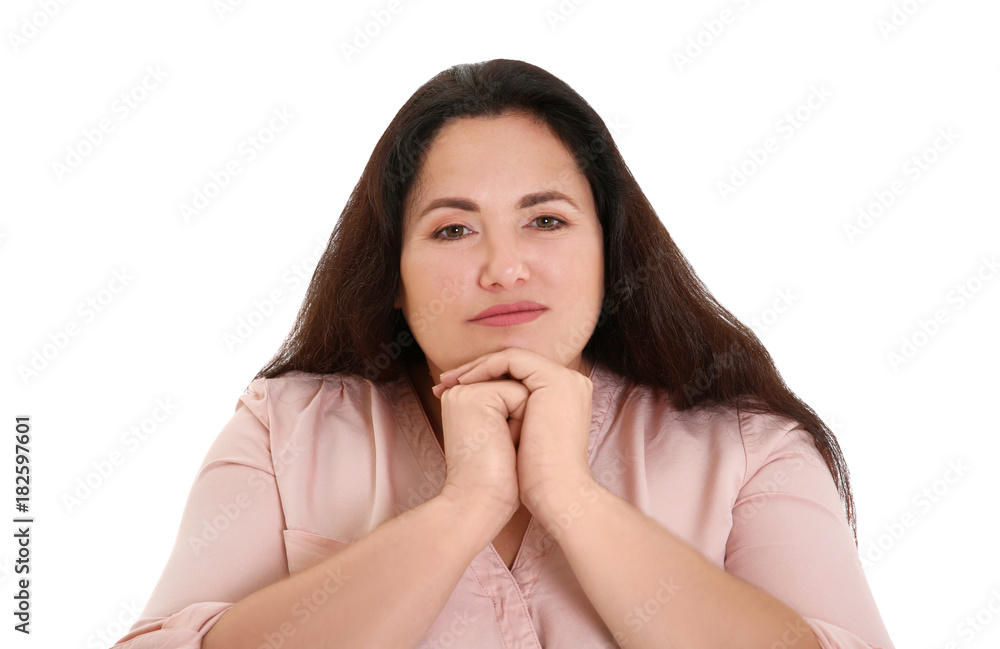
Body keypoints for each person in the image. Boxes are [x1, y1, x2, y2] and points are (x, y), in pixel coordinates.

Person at [111, 59, 896, 649]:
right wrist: (464, 506)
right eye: (453, 228)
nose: (504, 268)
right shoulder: (284, 430)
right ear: (392, 274)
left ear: (610, 249)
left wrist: (571, 495)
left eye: (545, 220)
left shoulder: (751, 447)